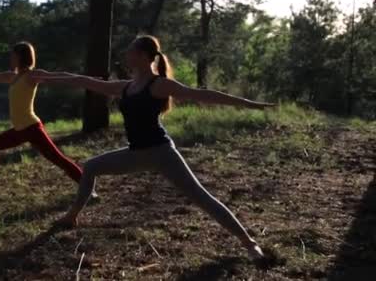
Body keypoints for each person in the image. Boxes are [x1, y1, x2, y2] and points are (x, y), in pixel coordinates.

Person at [31, 35, 272, 260]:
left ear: (144, 56)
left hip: (162, 153)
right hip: (136, 153)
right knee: (91, 166)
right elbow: (84, 81)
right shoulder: (125, 87)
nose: (127, 55)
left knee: (201, 198)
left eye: (131, 52)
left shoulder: (158, 85)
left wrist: (249, 104)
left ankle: (250, 244)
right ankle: (71, 217)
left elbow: (203, 94)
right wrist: (47, 76)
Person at [0, 42, 96, 195]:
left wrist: (88, 80)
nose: (11, 58)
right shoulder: (13, 77)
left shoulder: (31, 75)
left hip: (32, 128)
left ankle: (89, 189)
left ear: (21, 57)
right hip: (20, 129)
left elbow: (60, 76)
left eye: (13, 55)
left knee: (58, 159)